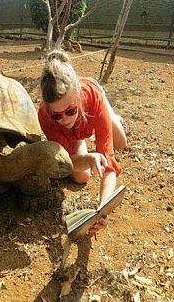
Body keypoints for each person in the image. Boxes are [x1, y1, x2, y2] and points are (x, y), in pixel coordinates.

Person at [37, 50, 127, 235]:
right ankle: (80, 136)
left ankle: (110, 115)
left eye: (70, 110)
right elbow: (67, 162)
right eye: (57, 115)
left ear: (77, 97)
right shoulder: (45, 116)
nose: (63, 118)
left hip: (93, 107)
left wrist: (102, 208)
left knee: (121, 142)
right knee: (81, 177)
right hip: (77, 128)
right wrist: (87, 159)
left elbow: (108, 163)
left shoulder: (90, 98)